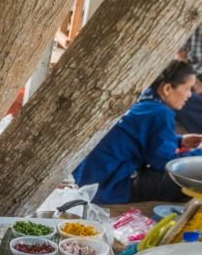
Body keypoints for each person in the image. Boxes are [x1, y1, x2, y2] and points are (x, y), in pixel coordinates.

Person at [73, 61, 202, 204]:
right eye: (187, 89)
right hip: (109, 185)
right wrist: (198, 153)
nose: (190, 95)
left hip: (88, 176)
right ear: (167, 88)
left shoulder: (144, 98)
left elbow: (141, 138)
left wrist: (180, 140)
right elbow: (165, 163)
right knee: (187, 179)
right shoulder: (161, 113)